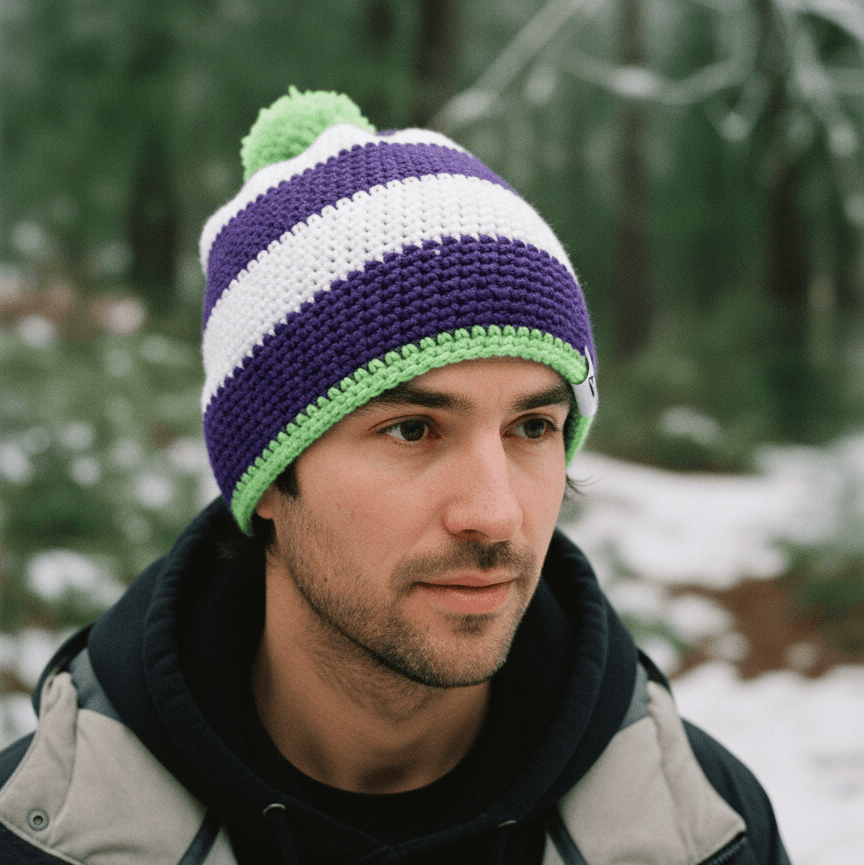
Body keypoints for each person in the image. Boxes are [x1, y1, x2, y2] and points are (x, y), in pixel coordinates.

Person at [0, 88, 790, 865]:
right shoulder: (42, 835)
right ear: (268, 477)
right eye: (413, 429)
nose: (495, 514)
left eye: (532, 427)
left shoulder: (706, 831)